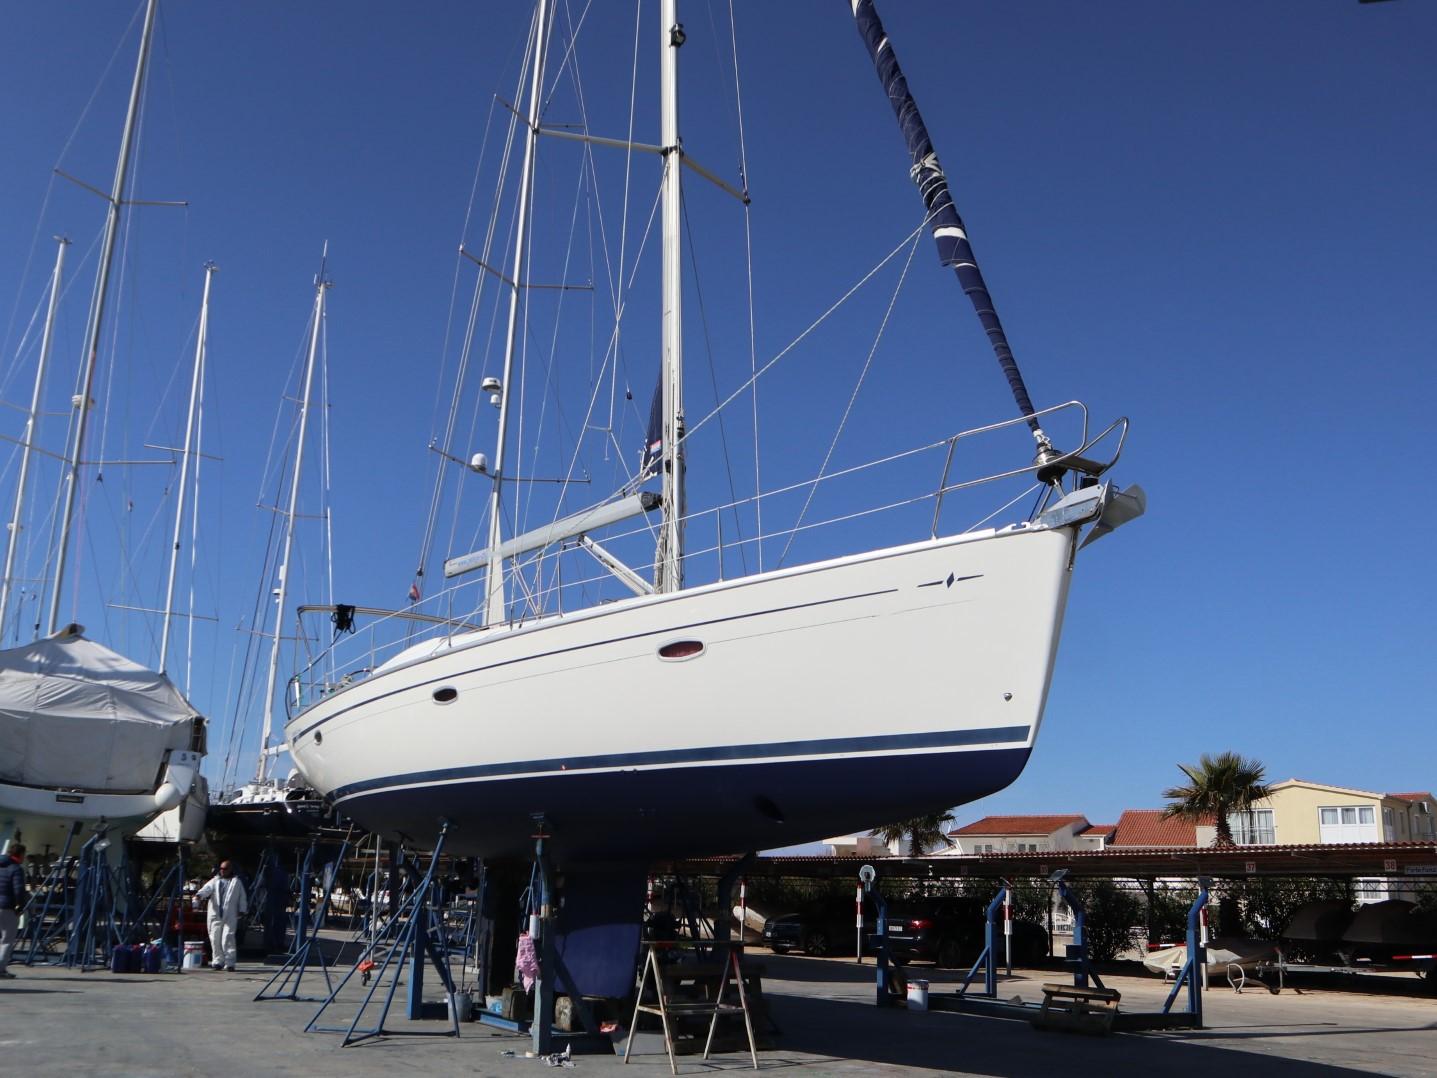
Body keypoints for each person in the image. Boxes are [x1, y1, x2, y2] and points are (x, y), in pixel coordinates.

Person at [195, 859, 247, 971]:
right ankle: (218, 961)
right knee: (214, 938)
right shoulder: (215, 881)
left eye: (225, 869)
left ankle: (230, 963)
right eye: (221, 868)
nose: (222, 871)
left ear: (230, 869)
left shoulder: (236, 882)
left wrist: (242, 910)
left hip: (230, 914)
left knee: (228, 937)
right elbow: (206, 890)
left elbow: (242, 897)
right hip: (215, 915)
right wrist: (199, 895)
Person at [0, 843, 26, 979]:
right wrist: (20, 906)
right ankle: (0, 969)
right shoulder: (16, 869)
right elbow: (18, 890)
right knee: (7, 940)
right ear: (20, 855)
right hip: (6, 907)